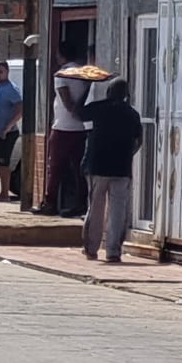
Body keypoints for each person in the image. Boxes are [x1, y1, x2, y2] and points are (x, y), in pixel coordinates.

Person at [79, 79, 142, 262]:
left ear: (108, 92)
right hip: (121, 168)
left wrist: (88, 87)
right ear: (125, 94)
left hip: (97, 166)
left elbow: (77, 112)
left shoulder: (98, 108)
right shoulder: (132, 113)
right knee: (118, 210)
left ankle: (91, 249)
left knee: (96, 208)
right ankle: (113, 251)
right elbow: (139, 141)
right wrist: (128, 155)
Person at [34, 40, 91, 217]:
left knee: (55, 166)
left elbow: (66, 101)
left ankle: (49, 203)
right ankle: (81, 203)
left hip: (63, 127)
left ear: (62, 55)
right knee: (78, 168)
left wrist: (74, 111)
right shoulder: (84, 73)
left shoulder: (61, 74)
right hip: (81, 128)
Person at [0, 60, 23, 201]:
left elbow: (20, 109)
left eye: (0, 72)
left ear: (7, 72)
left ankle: (4, 194)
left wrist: (8, 126)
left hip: (7, 133)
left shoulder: (12, 89)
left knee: (4, 164)